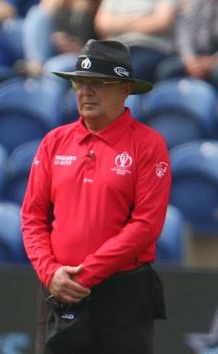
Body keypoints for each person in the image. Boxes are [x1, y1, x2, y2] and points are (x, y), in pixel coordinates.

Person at [21, 39, 171, 354]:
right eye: (80, 82)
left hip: (122, 292)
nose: (86, 91)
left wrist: (83, 276)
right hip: (57, 288)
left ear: (125, 89)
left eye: (99, 83)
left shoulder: (147, 144)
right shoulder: (55, 141)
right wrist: (50, 273)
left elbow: (146, 225)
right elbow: (32, 216)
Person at [94, 0, 179, 83]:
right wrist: (142, 20)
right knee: (90, 69)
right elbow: (102, 24)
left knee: (126, 72)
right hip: (114, 48)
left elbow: (161, 23)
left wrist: (117, 23)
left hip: (150, 48)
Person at [155, 0, 218, 87]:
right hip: (193, 57)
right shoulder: (197, 2)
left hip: (214, 60)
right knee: (167, 69)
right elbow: (185, 32)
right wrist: (190, 60)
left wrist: (213, 61)